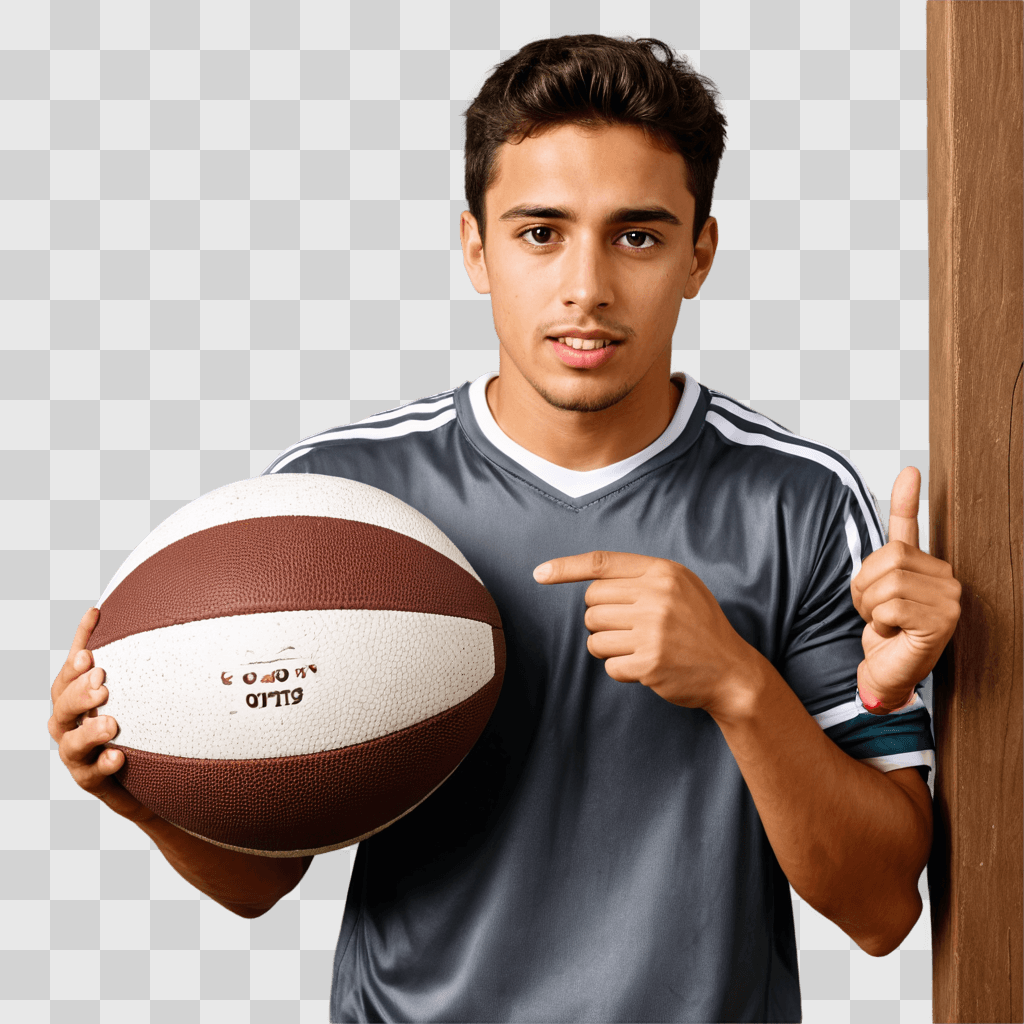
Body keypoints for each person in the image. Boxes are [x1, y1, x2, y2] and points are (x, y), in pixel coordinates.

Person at [50, 35, 960, 1023]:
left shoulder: (799, 497)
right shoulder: (336, 498)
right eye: (540, 232)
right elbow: (261, 883)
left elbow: (878, 910)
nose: (587, 287)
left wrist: (738, 685)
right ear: (476, 248)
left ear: (700, 253)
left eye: (638, 235)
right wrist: (147, 796)